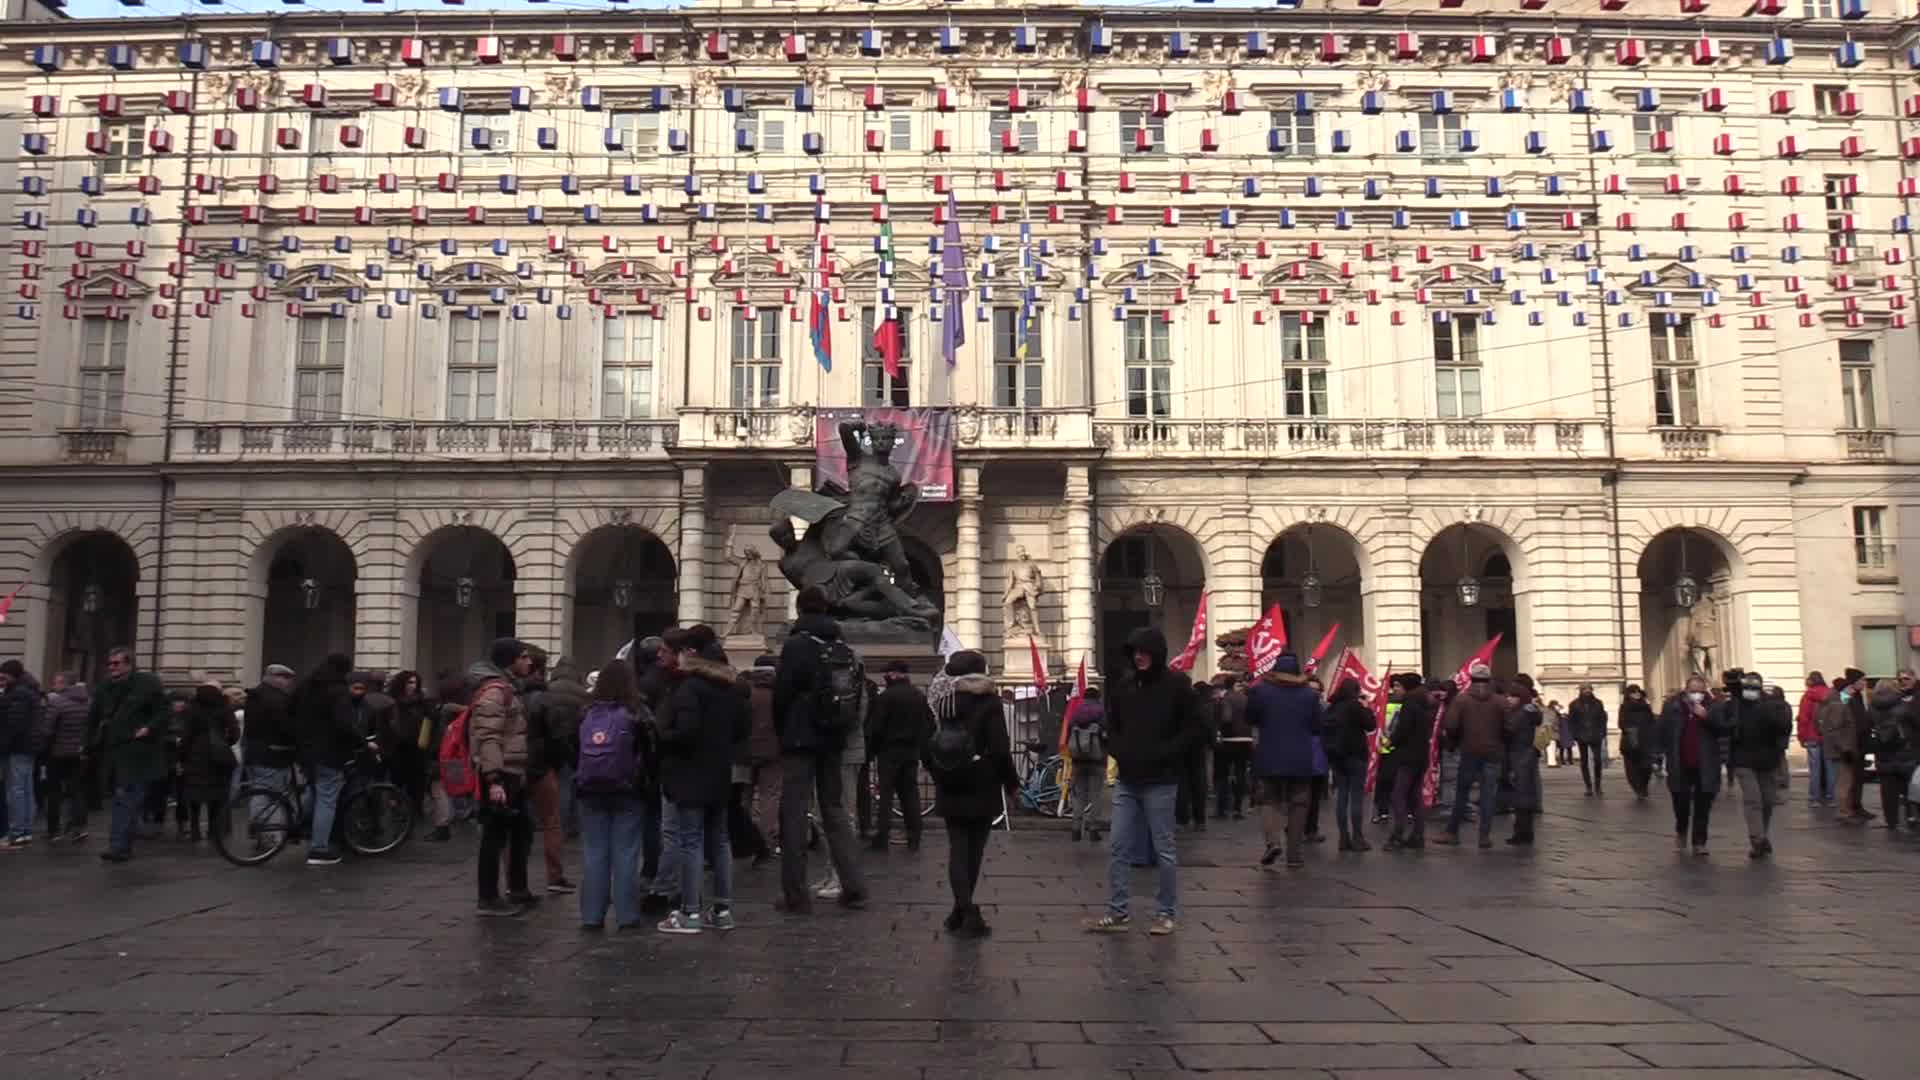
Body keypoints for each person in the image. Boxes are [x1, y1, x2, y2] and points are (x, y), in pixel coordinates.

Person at [1086, 628, 1200, 935]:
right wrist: (1119, 750)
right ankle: (1118, 912)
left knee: (1164, 848)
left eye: (1145, 651)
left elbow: (1191, 728)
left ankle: (1166, 913)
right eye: (1135, 652)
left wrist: (1167, 753)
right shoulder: (1124, 686)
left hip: (1161, 780)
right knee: (1119, 846)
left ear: (1156, 653)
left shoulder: (1177, 685)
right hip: (1128, 779)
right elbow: (1113, 725)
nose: (1139, 656)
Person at [772, 586, 867, 914]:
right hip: (833, 738)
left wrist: (783, 730)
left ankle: (795, 894)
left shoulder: (797, 645)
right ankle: (853, 885)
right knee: (835, 810)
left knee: (795, 814)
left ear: (799, 609)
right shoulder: (841, 645)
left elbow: (782, 694)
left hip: (800, 738)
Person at [656, 626, 750, 934]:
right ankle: (722, 910)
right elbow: (741, 731)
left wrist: (661, 735)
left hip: (690, 774)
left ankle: (690, 912)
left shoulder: (690, 689)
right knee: (720, 842)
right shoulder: (732, 688)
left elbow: (685, 733)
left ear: (690, 654)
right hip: (720, 773)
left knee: (691, 841)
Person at [924, 650, 1018, 936]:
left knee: (957, 847)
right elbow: (1000, 749)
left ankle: (959, 909)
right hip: (982, 781)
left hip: (950, 781)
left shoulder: (941, 700)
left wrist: (938, 772)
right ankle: (967, 912)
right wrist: (1011, 785)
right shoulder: (989, 702)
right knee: (974, 849)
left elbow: (926, 743)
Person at [574, 660, 651, 931]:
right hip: (627, 790)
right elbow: (651, 750)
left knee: (594, 852)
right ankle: (627, 915)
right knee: (626, 853)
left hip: (590, 789)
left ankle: (591, 916)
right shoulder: (636, 712)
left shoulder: (585, 712)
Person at [471, 637, 538, 916]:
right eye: (523, 657)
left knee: (521, 830)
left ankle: (518, 888)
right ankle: (487, 898)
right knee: (494, 835)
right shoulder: (495, 692)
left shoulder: (510, 688)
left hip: (514, 770)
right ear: (510, 660)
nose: (529, 662)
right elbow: (488, 737)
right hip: (501, 771)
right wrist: (494, 778)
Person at [1241, 653, 1326, 869]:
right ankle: (1294, 855)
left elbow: (1250, 717)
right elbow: (1317, 726)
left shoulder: (1261, 691)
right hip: (1300, 756)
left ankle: (1273, 842)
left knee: (1270, 800)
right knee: (1299, 803)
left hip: (1270, 753)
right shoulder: (1309, 695)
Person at [89, 647, 169, 863]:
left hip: (139, 751)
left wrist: (148, 728)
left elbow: (163, 711)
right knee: (124, 798)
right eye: (109, 663)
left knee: (126, 797)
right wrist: (85, 744)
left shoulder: (147, 683)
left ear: (128, 664)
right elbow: (93, 716)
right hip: (114, 751)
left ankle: (119, 845)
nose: (111, 667)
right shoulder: (104, 687)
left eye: (116, 663)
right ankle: (126, 839)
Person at [293, 654, 360, 866]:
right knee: (327, 798)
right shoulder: (338, 691)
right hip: (329, 752)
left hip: (305, 750)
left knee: (315, 790)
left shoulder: (306, 685)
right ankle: (319, 848)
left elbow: (290, 712)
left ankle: (300, 825)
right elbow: (343, 724)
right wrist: (360, 740)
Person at [524, 653, 580, 896]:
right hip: (547, 760)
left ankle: (514, 881)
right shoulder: (555, 697)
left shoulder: (514, 695)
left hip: (517, 763)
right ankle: (555, 876)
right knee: (553, 818)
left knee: (513, 823)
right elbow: (558, 734)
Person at [1658, 674, 1731, 856]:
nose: (1697, 695)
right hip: (1680, 761)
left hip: (1705, 763)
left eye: (1700, 691)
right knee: (1680, 801)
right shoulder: (1673, 706)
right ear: (1686, 690)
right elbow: (1662, 730)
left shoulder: (1715, 706)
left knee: (1703, 804)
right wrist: (1656, 756)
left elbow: (1724, 729)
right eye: (1693, 691)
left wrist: (1707, 717)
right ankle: (1681, 830)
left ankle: (1699, 841)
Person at [1724, 669, 1791, 858]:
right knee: (1753, 798)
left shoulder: (1771, 705)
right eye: (1747, 686)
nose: (1750, 689)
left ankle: (1761, 835)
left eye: (1754, 686)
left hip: (1766, 759)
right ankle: (1758, 838)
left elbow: (1784, 726)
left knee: (1768, 800)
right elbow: (1722, 719)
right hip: (1743, 759)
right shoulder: (1735, 704)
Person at [1441, 662, 1505, 849]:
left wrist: (1455, 741)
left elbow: (1451, 725)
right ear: (1489, 680)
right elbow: (1510, 727)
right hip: (1493, 752)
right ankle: (1484, 835)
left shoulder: (1461, 700)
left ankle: (1452, 832)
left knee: (1462, 792)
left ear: (1472, 679)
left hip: (1469, 750)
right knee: (1488, 794)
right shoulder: (1499, 701)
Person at [1383, 675, 1437, 851]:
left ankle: (1398, 835)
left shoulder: (1410, 704)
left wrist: (1391, 740)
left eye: (1398, 686)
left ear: (1407, 687)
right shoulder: (1425, 702)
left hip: (1408, 756)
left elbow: (1403, 729)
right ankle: (1418, 836)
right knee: (1415, 797)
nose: (1395, 689)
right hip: (1421, 756)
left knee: (1398, 795)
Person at [1321, 677, 1375, 852]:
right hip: (1356, 755)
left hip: (1336, 756)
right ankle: (1358, 837)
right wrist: (1367, 708)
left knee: (1342, 795)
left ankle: (1343, 838)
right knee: (1356, 796)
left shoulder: (1332, 707)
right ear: (1356, 691)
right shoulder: (1355, 706)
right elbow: (1370, 726)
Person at [42, 673, 91, 843]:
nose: (54, 686)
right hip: (78, 753)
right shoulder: (88, 702)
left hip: (58, 752)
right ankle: (79, 827)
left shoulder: (57, 702)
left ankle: (54, 830)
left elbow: (47, 730)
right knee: (76, 790)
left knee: (54, 792)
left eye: (56, 682)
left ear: (64, 684)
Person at [742, 654, 780, 867]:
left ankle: (744, 839)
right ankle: (766, 842)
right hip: (774, 753)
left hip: (746, 753)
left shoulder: (746, 693)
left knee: (744, 798)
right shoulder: (780, 695)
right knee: (770, 798)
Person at [0, 660, 43, 847]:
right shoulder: (29, 691)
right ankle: (24, 830)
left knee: (15, 790)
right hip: (28, 747)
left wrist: (3, 745)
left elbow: (14, 724)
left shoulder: (19, 693)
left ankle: (17, 831)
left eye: (4, 676)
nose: (2, 680)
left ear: (12, 675)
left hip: (18, 747)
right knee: (25, 789)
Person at [381, 671, 434, 820]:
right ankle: (395, 809)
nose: (412, 686)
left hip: (417, 748)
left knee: (416, 782)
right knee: (397, 780)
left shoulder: (423, 702)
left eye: (414, 682)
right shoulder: (392, 701)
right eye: (409, 682)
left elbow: (430, 722)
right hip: (397, 748)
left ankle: (415, 811)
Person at [1820, 669, 1869, 823]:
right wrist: (1845, 748)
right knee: (1844, 782)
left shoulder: (1849, 699)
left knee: (1849, 781)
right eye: (1862, 680)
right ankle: (1843, 812)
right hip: (1844, 749)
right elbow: (1835, 728)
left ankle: (1849, 810)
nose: (1865, 683)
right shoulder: (1841, 701)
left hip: (1851, 746)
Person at [1869, 678, 1918, 829]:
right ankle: (1911, 816)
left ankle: (1891, 820)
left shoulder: (1872, 707)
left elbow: (1867, 728)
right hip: (1905, 754)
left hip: (1883, 755)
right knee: (1909, 788)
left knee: (1888, 790)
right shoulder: (1903, 706)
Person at [1503, 678, 1544, 846]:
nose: (1509, 699)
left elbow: (1510, 731)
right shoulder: (1531, 711)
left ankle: (1522, 833)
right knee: (1525, 793)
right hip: (1527, 754)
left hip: (1520, 753)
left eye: (1513, 696)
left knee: (1521, 793)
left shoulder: (1521, 714)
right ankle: (1525, 831)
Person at [1066, 686, 1108, 843]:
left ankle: (1076, 829)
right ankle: (1093, 829)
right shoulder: (1101, 713)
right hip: (1097, 761)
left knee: (1079, 796)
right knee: (1095, 796)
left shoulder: (1076, 713)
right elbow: (1107, 736)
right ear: (1098, 697)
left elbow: (1068, 733)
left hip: (1078, 761)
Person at [1212, 677, 1253, 820]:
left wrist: (1220, 729)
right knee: (1240, 773)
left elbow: (1226, 718)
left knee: (1223, 774)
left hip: (1229, 740)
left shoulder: (1226, 698)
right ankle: (1237, 809)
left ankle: (1222, 809)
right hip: (1246, 739)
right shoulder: (1245, 698)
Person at [1796, 672, 1834, 807]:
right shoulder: (1831, 694)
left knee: (1815, 769)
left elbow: (1803, 718)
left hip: (1812, 736)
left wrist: (1801, 737)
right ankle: (1831, 797)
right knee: (1830, 768)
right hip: (1829, 736)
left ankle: (1815, 798)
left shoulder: (1807, 696)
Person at [1617, 685, 1657, 799]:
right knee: (1632, 768)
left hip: (1646, 741)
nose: (1636, 694)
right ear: (1628, 695)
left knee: (1647, 767)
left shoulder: (1646, 706)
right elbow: (1621, 723)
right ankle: (1638, 789)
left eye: (1638, 692)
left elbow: (1652, 721)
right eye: (1633, 692)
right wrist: (1631, 730)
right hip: (1631, 742)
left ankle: (1644, 786)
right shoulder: (1625, 707)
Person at [1568, 684, 1609, 796]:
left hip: (1596, 735)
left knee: (1597, 760)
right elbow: (1571, 721)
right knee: (1584, 761)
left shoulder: (1598, 703)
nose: (1587, 691)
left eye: (1589, 689)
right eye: (1585, 689)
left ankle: (1598, 785)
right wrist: (1574, 734)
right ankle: (1588, 786)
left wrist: (1602, 732)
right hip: (1581, 735)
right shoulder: (1574, 704)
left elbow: (1603, 719)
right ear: (1580, 691)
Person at [1549, 699, 1572, 768]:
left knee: (1568, 748)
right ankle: (1563, 760)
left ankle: (1569, 760)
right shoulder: (1558, 716)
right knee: (1562, 748)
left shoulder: (1566, 716)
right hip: (1561, 733)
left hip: (1567, 733)